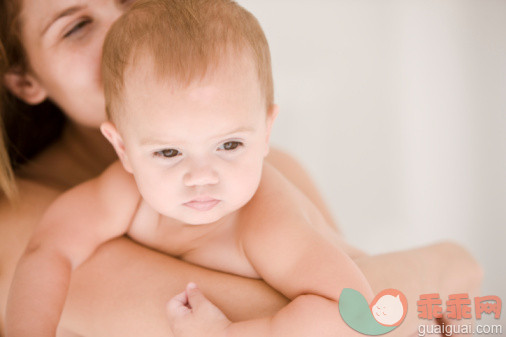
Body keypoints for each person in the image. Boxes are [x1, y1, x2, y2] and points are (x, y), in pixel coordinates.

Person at [0, 0, 482, 336]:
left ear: (266, 129)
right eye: (74, 26)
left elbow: (354, 319)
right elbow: (47, 252)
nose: (123, 34)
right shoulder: (30, 219)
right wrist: (443, 268)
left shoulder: (271, 196)